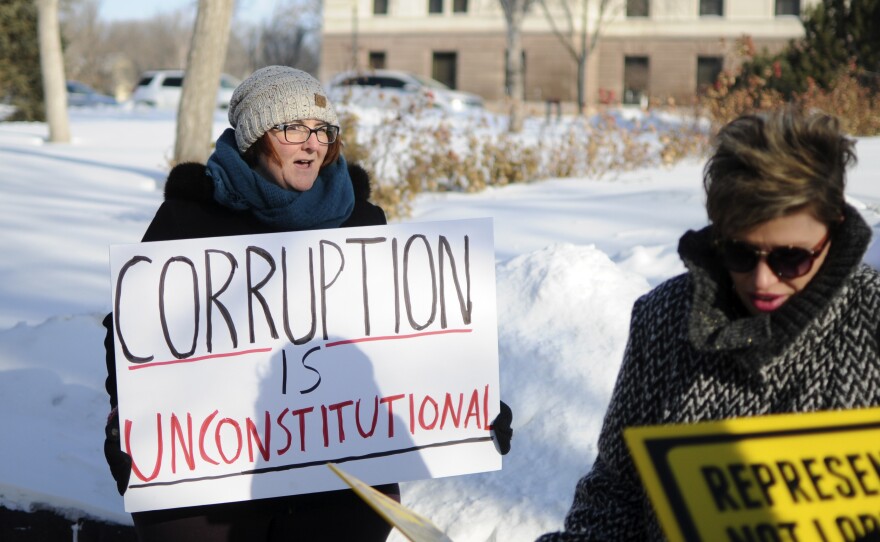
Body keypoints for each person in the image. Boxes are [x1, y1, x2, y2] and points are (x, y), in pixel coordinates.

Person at [537, 107, 880, 540]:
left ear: (833, 230)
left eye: (790, 257)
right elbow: (617, 490)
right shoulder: (664, 316)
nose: (761, 279)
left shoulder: (871, 319)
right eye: (739, 252)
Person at [101, 65, 396, 541]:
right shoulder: (190, 216)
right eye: (292, 127)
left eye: (322, 130)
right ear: (255, 139)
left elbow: (401, 338)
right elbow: (132, 333)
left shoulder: (361, 221)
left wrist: (468, 410)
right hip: (210, 475)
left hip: (336, 470)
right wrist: (124, 420)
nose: (311, 143)